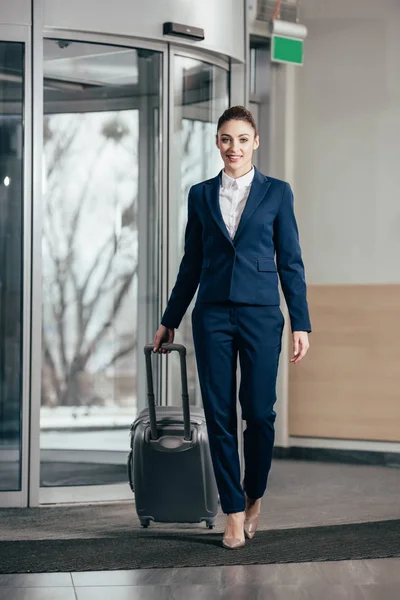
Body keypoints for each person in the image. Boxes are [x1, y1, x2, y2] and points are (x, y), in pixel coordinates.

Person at [153, 105, 311, 549]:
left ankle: (254, 493)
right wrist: (170, 319)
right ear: (217, 142)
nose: (233, 148)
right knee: (220, 416)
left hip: (262, 314)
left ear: (255, 142)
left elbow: (292, 261)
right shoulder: (200, 194)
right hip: (213, 315)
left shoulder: (277, 193)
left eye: (242, 139)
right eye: (226, 139)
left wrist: (301, 321)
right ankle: (233, 514)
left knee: (259, 415)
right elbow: (192, 263)